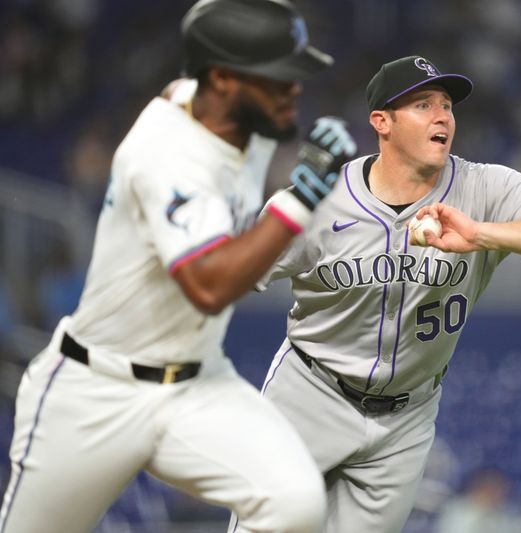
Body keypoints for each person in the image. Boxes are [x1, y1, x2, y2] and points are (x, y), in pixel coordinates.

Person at [0, 0, 356, 532]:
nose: (294, 90)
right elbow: (208, 286)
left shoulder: (231, 111)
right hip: (96, 389)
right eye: (279, 78)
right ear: (222, 79)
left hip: (196, 384)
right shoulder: (166, 153)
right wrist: (299, 196)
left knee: (295, 503)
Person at [242, 55, 521, 533]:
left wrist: (482, 235)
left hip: (405, 418)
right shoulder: (322, 198)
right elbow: (228, 273)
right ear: (381, 122)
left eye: (447, 105)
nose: (442, 117)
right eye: (423, 104)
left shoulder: (484, 187)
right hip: (312, 393)